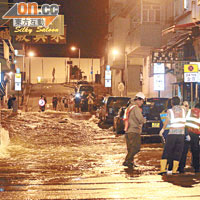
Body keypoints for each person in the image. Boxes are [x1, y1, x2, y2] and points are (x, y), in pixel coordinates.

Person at [159, 96, 186, 175]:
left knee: (167, 151)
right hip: (181, 134)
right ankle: (174, 171)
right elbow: (185, 107)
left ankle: (163, 169)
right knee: (178, 152)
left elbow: (167, 121)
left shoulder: (170, 111)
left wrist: (162, 130)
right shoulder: (184, 110)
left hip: (172, 134)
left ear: (172, 103)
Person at [122, 92, 146, 168]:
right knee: (136, 148)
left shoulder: (129, 107)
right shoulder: (135, 108)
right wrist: (144, 120)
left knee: (130, 148)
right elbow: (140, 119)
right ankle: (127, 161)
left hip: (128, 131)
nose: (142, 103)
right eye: (142, 101)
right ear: (138, 100)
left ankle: (130, 163)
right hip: (134, 130)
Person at [183, 102, 200, 173]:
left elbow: (185, 121)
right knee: (196, 150)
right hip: (196, 134)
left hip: (187, 132)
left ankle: (181, 167)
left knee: (185, 150)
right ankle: (196, 168)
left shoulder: (189, 111)